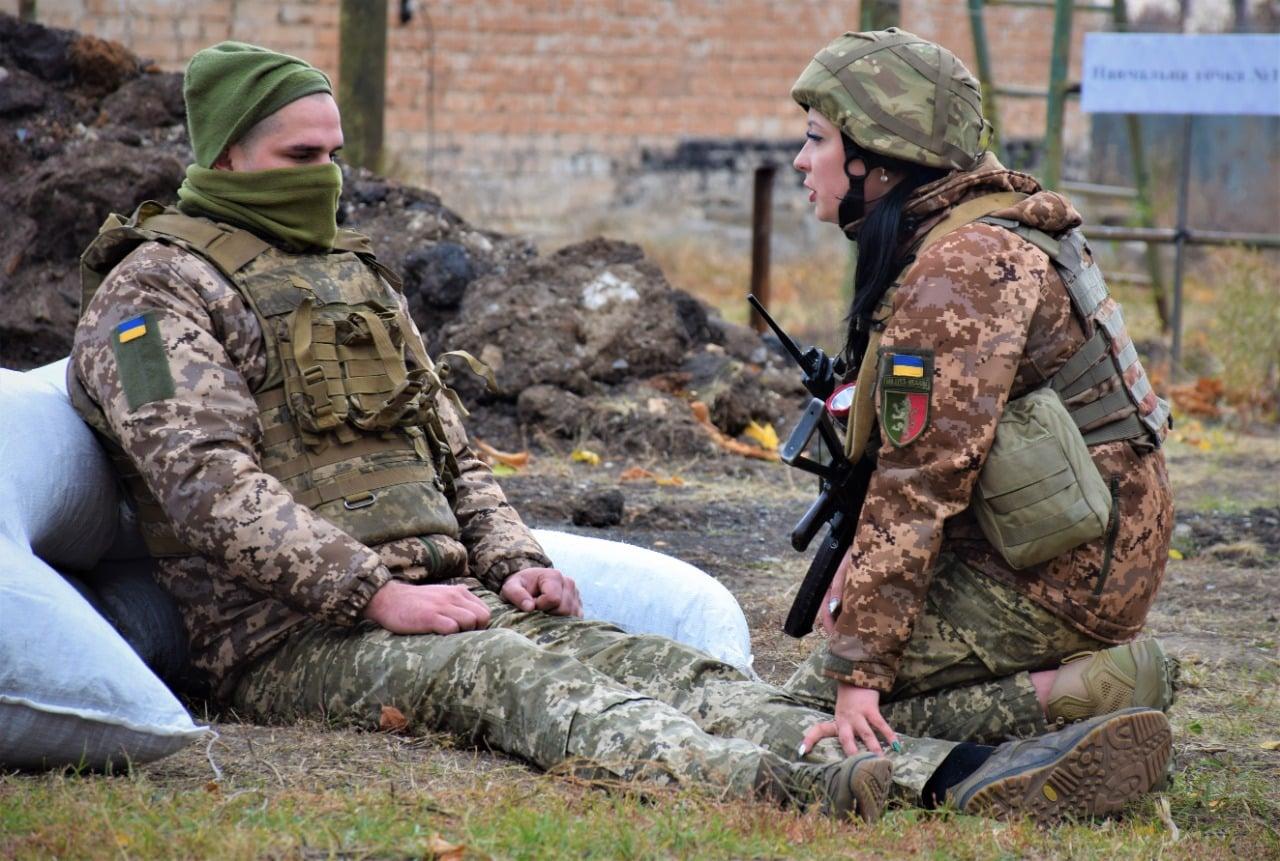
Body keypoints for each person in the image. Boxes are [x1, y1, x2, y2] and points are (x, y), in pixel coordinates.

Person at [67, 40, 1170, 825]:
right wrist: (375, 595)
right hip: (286, 636)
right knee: (518, 686)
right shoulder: (148, 300)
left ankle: (973, 756)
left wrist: (516, 560)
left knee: (677, 676)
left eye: (334, 154)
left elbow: (447, 445)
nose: (330, 181)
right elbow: (206, 483)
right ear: (221, 159)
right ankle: (914, 780)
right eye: (297, 160)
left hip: (443, 593)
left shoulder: (345, 274)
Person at [782, 26, 1178, 783]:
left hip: (1064, 579)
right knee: (835, 676)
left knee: (812, 707)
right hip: (1081, 548)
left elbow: (920, 479)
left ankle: (1073, 696)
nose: (803, 161)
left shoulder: (961, 268)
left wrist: (861, 668)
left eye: (818, 139)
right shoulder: (984, 227)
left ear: (879, 152)